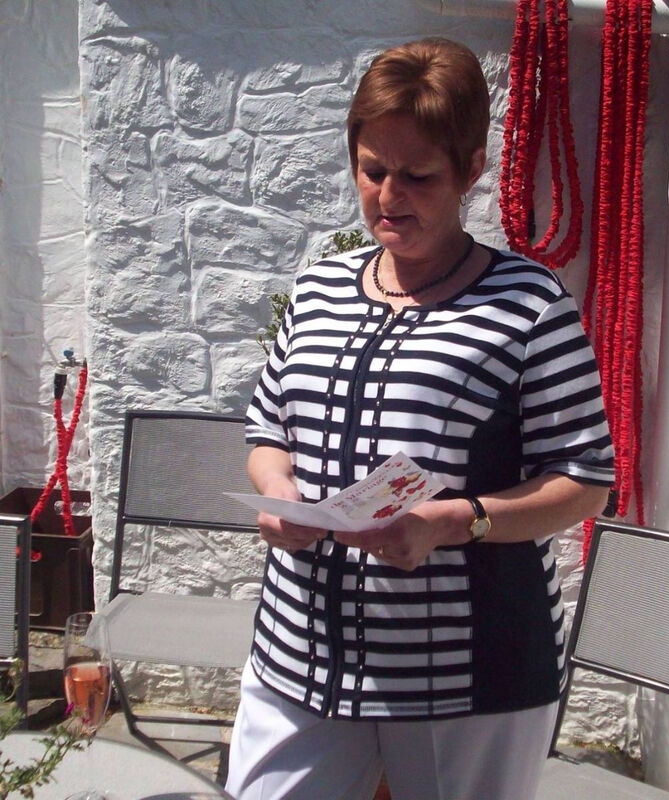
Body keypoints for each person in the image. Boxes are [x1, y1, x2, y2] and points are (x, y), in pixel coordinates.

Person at [226, 37, 614, 800]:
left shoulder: (530, 306)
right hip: (302, 650)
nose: (388, 195)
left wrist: (450, 523)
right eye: (372, 170)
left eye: (418, 176)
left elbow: (585, 481)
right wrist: (280, 495)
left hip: (467, 674)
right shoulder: (319, 289)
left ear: (471, 169)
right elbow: (268, 430)